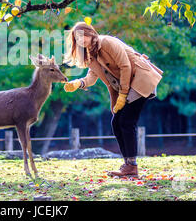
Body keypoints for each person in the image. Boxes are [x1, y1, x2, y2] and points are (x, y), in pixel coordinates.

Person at [63, 22, 163, 177]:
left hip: (140, 79)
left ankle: (131, 166)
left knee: (126, 122)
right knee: (116, 123)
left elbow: (126, 66)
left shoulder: (106, 42)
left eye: (83, 35)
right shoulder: (91, 54)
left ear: (90, 33)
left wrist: (123, 95)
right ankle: (128, 165)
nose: (81, 40)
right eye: (77, 38)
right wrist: (79, 83)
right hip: (127, 86)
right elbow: (92, 76)